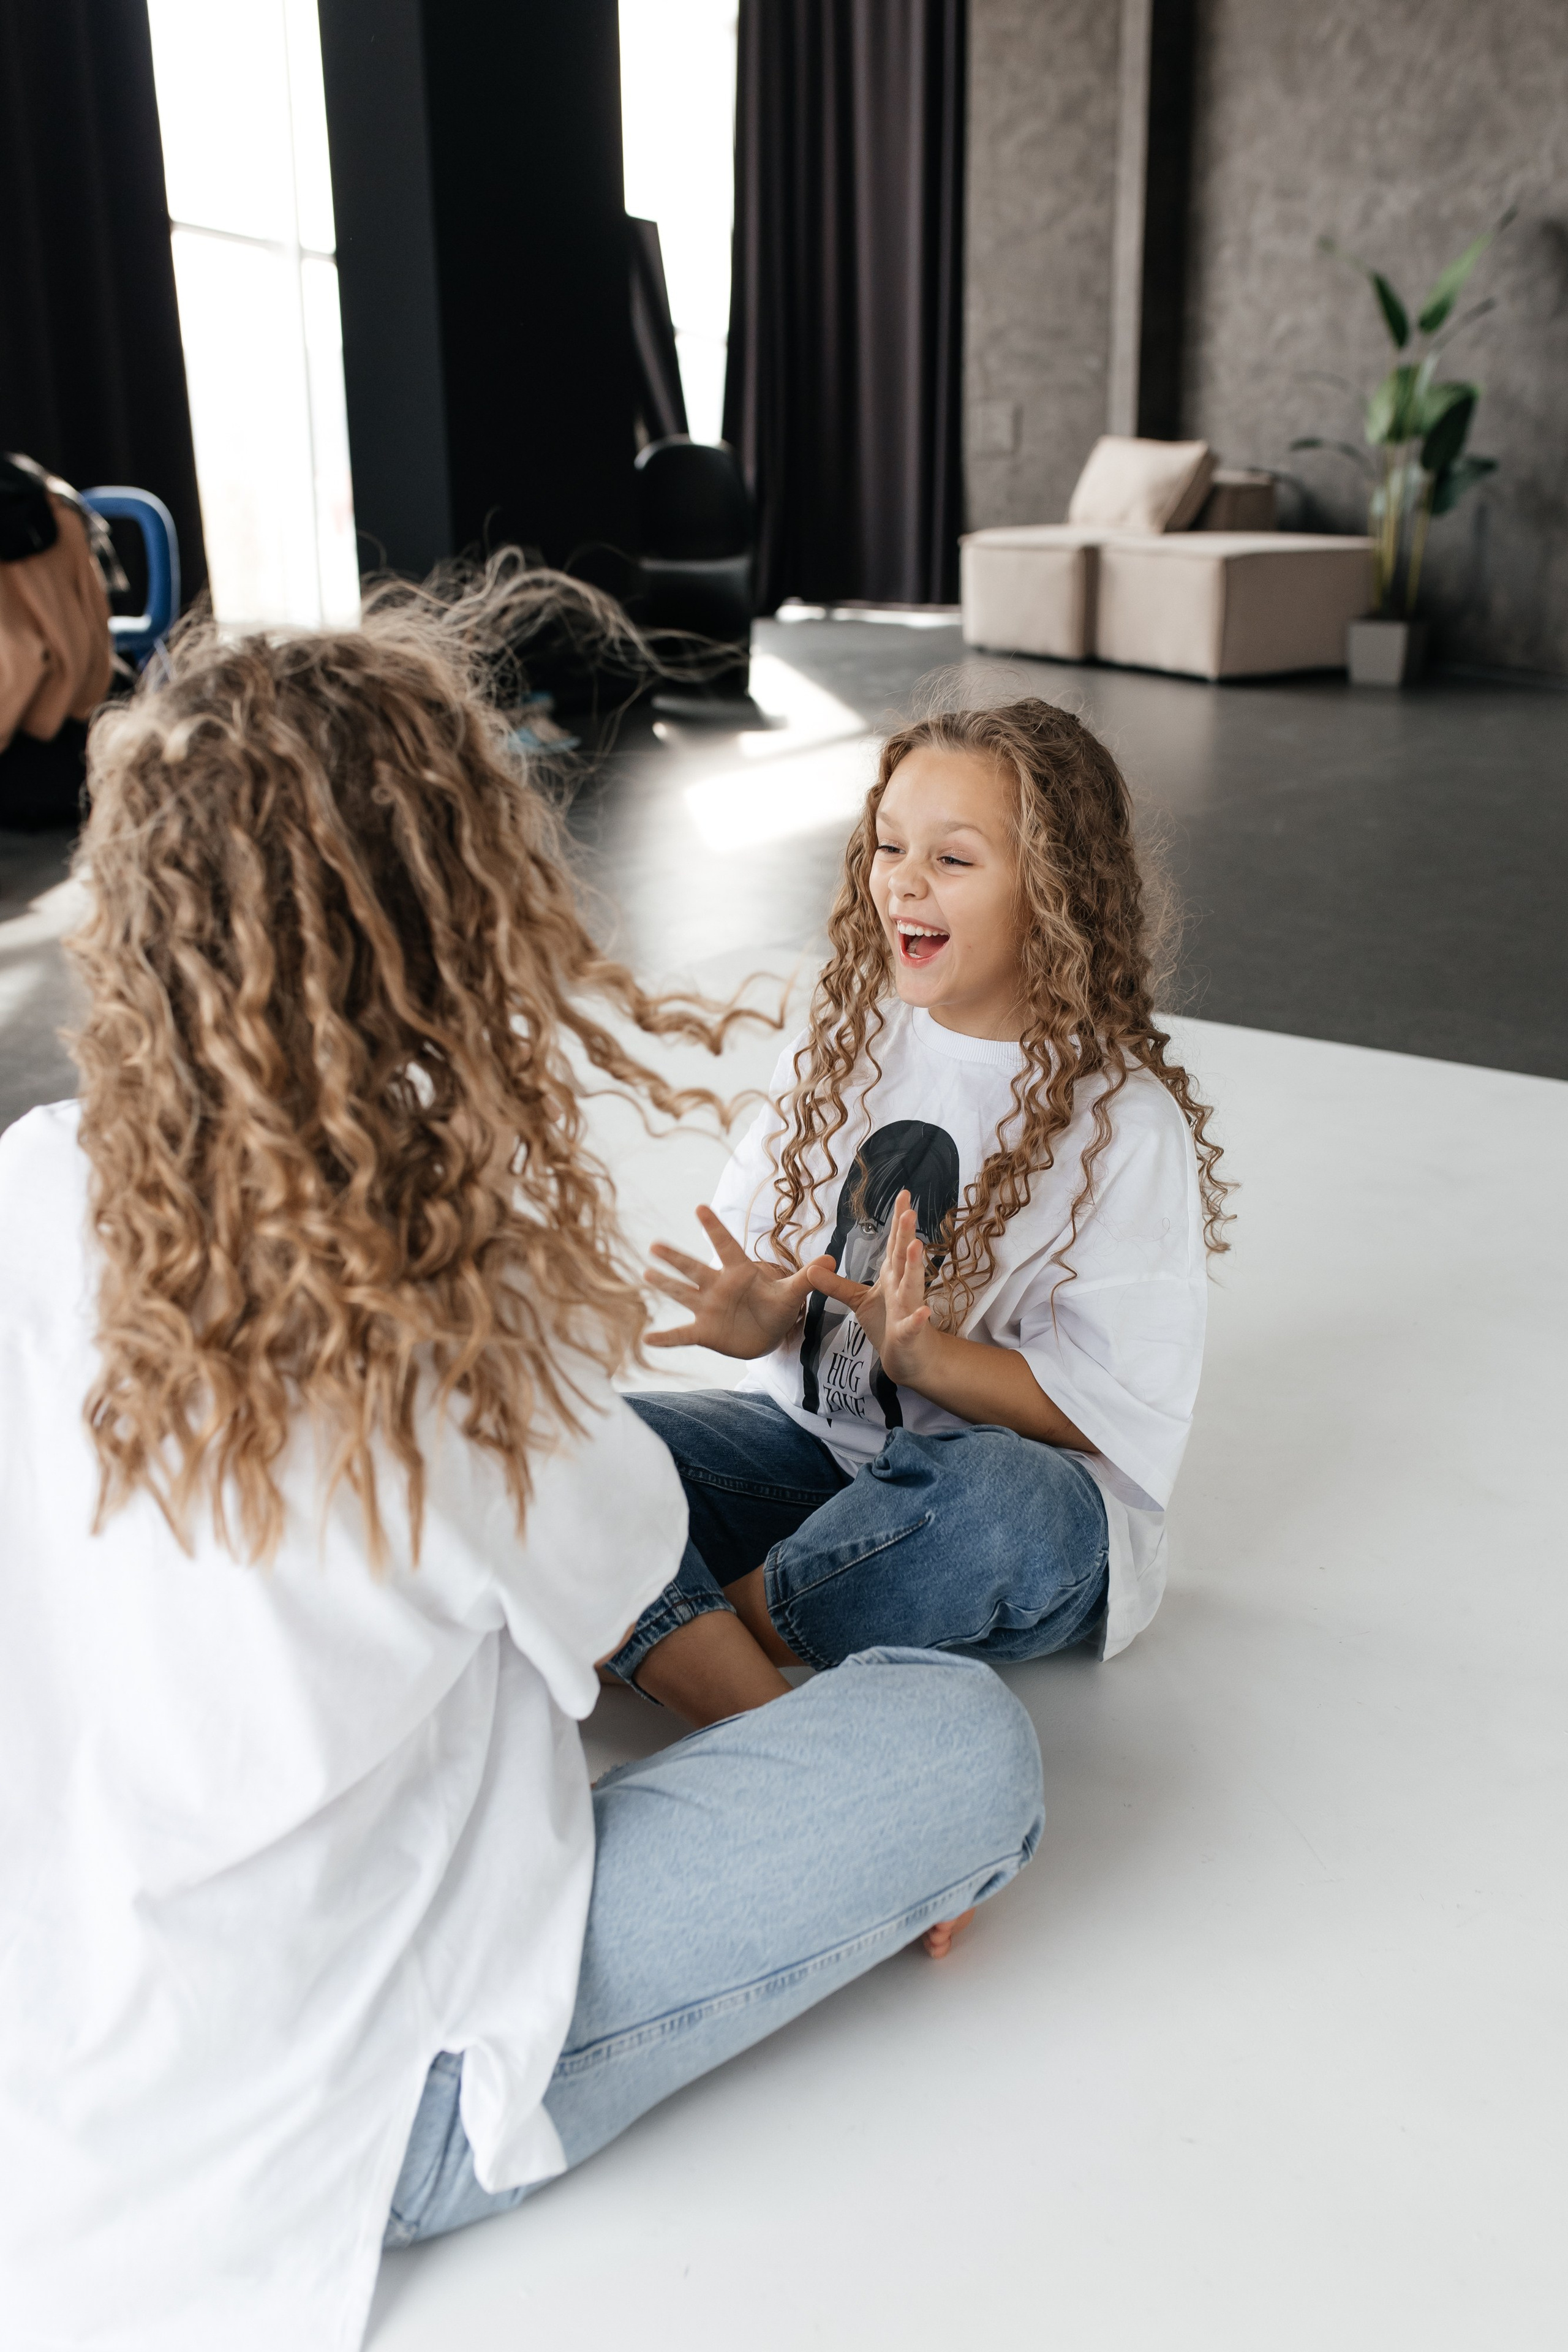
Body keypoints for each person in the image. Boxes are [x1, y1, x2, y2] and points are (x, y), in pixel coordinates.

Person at [0, 568, 1045, 2352]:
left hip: (60, 2042)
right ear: (457, 921)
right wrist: (822, 1800)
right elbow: (628, 1564)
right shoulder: (438, 1286)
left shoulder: (31, 1176)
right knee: (957, 1747)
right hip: (352, 2099)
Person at [612, 698, 1229, 1741]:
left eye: (953, 859)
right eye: (889, 844)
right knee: (569, 1444)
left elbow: (1105, 1415)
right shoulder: (842, 1043)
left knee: (1006, 1510)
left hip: (980, 1504)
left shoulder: (1125, 1124)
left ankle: (688, 1644)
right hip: (807, 1463)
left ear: (1053, 890)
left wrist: (928, 1359)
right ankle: (738, 1682)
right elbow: (772, 1287)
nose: (901, 878)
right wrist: (755, 1319)